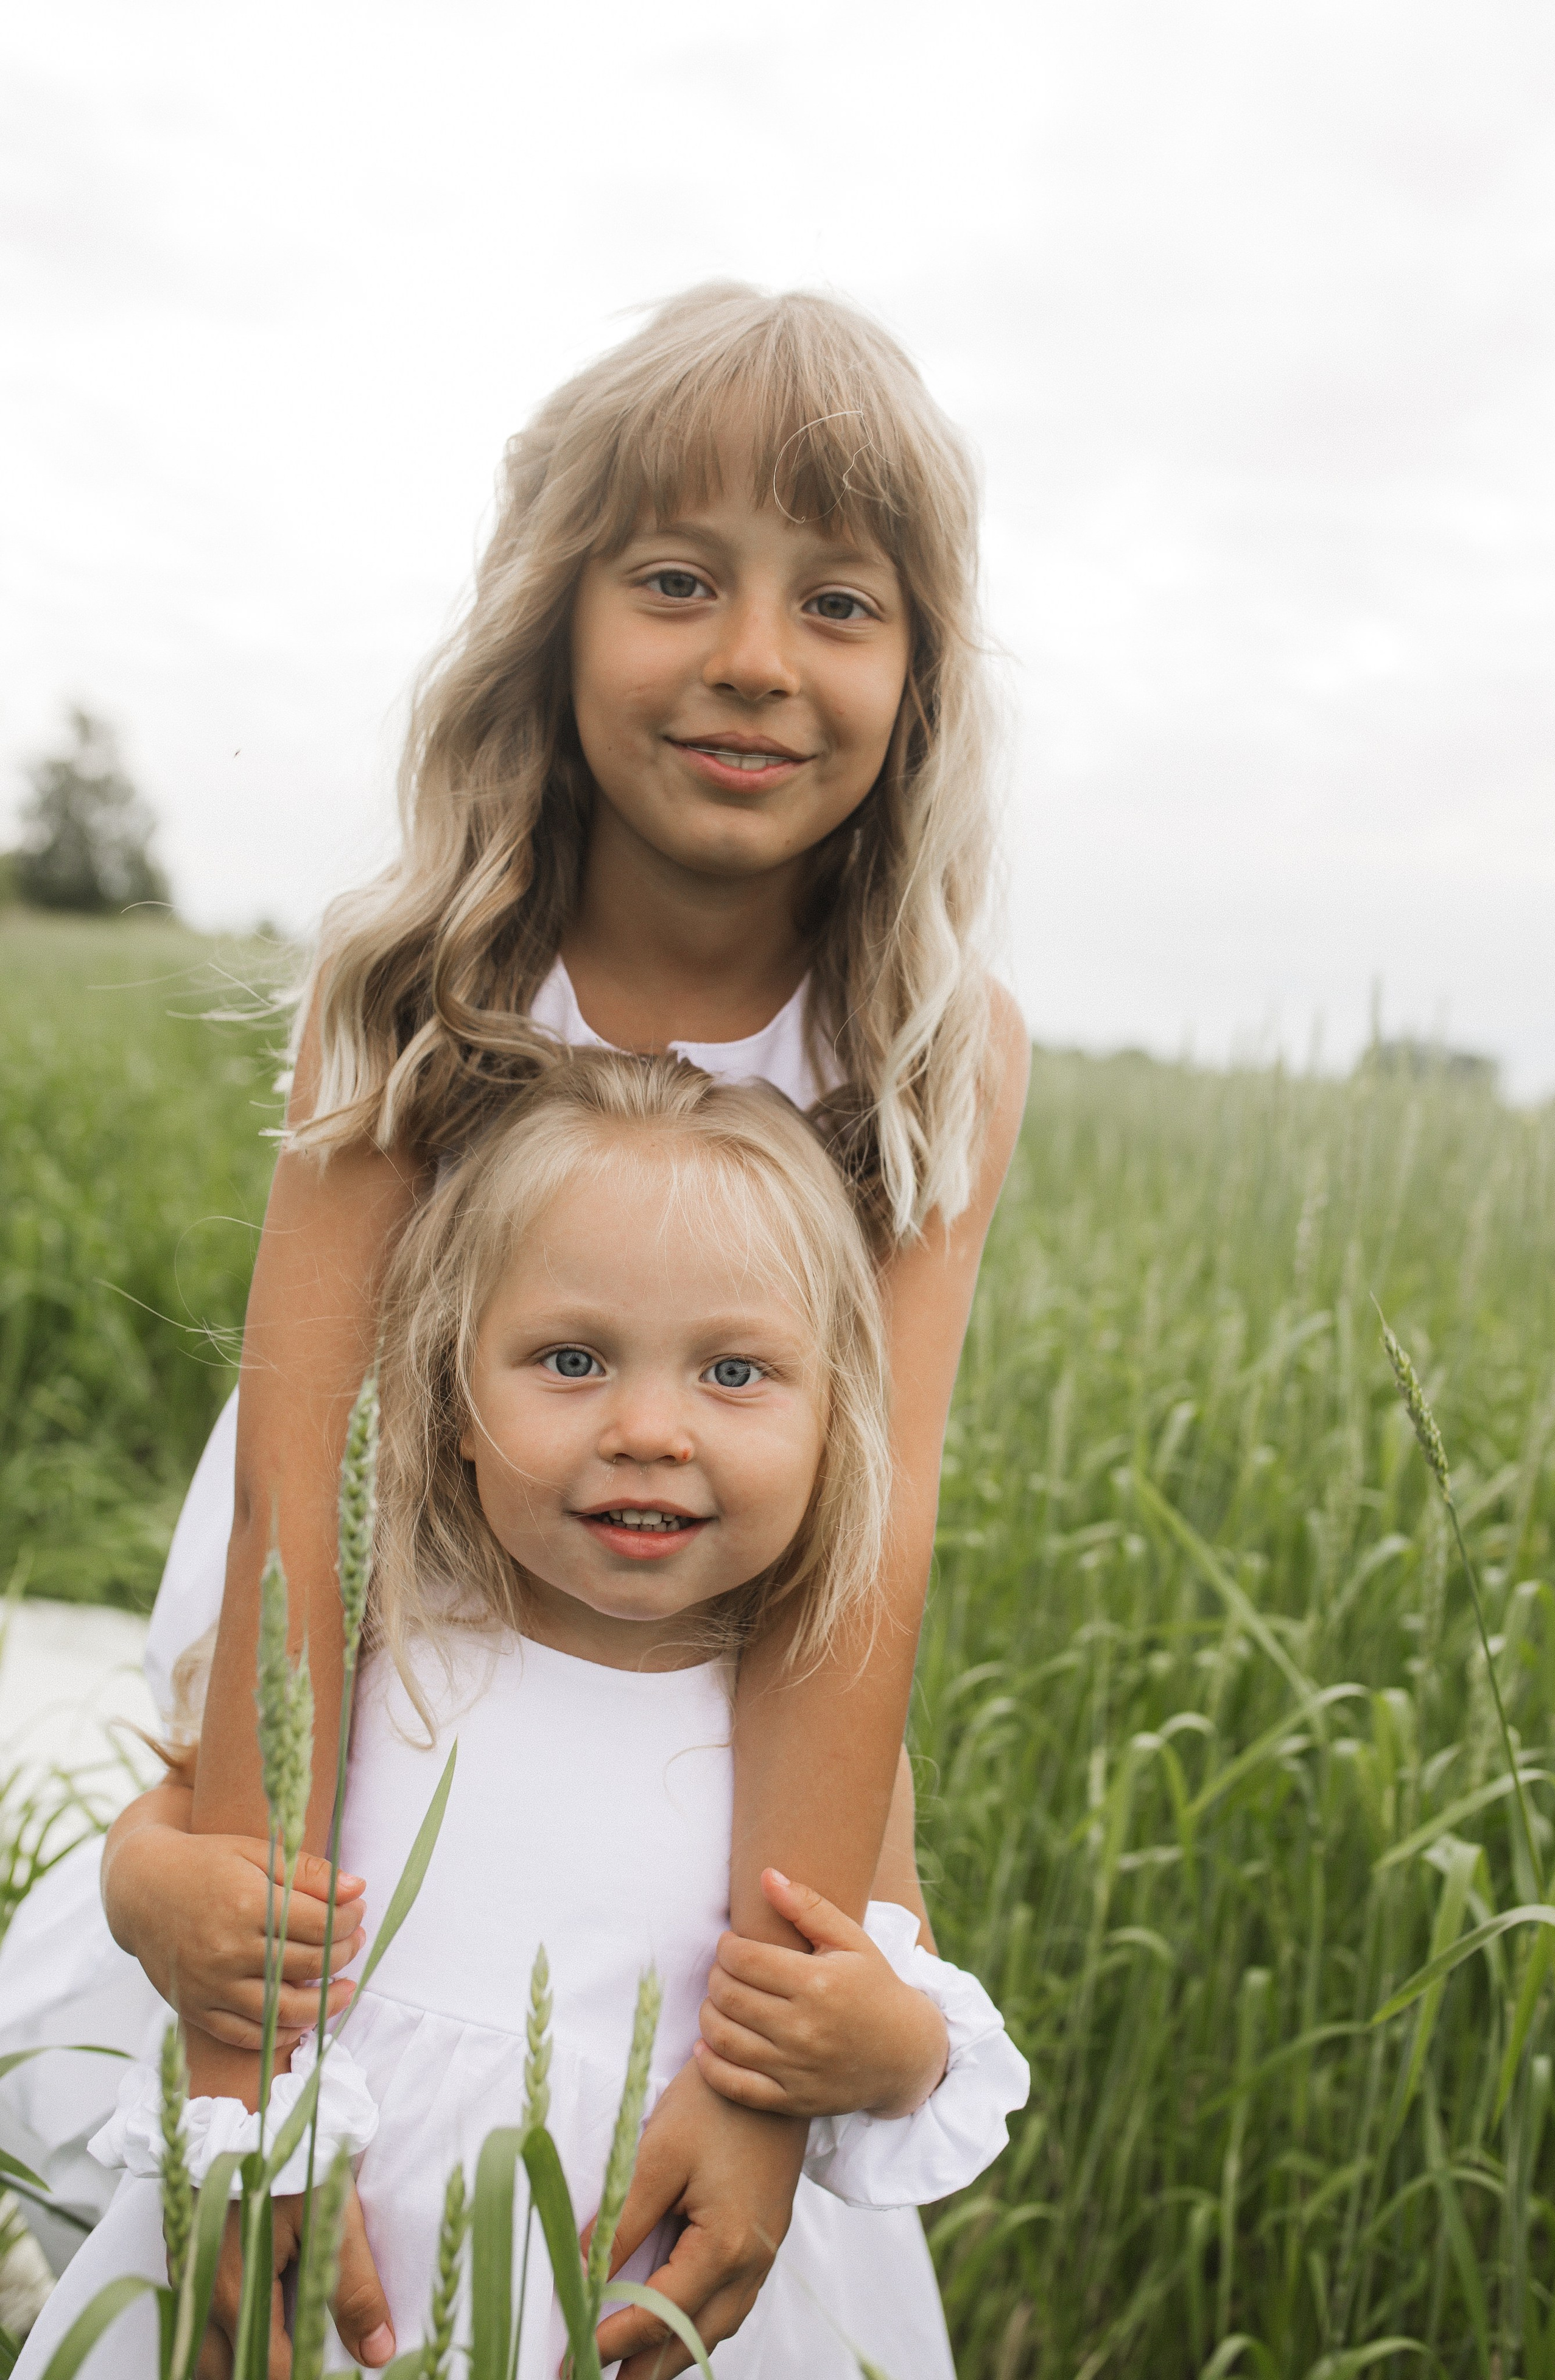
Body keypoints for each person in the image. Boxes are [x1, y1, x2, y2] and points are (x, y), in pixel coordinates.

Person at [13, 279, 1030, 2373]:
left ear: (920, 673)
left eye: (841, 601)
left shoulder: (932, 1043)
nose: (755, 658)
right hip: (358, 1717)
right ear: (556, 616)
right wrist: (246, 2095)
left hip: (696, 1748)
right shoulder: (422, 973)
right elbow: (300, 1484)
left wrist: (762, 2085)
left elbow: (868, 1530)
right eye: (677, 580)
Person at [16, 1053, 1028, 2378]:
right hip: (336, 2293)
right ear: (455, 1403)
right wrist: (154, 1890)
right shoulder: (390, 1639)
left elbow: (901, 2002)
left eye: (733, 1371)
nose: (650, 1429)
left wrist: (874, 2045)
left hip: (635, 2300)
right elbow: (173, 1821)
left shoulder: (799, 1729)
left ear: (836, 1421)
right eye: (570, 1358)